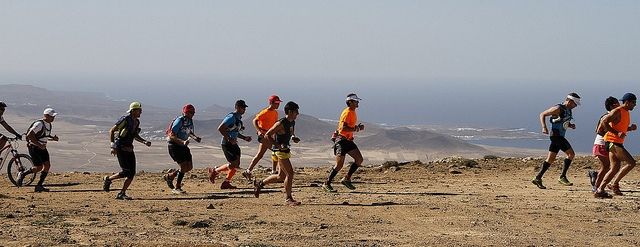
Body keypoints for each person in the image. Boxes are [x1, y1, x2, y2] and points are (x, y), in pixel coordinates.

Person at [253, 101, 301, 206]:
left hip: (284, 150)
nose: (298, 113)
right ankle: (288, 198)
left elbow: (291, 132)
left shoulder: (292, 122)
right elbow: (268, 135)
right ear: (290, 111)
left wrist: (293, 137)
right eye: (296, 111)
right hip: (280, 151)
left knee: (281, 176)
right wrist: (278, 145)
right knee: (290, 173)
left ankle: (260, 184)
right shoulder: (280, 123)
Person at [102, 102, 152, 200]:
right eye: (139, 110)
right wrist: (112, 146)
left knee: (131, 172)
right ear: (133, 111)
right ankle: (108, 179)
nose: (141, 112)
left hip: (129, 148)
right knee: (126, 171)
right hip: (120, 147)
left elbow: (134, 135)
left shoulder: (136, 122)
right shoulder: (125, 119)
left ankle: (122, 193)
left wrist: (144, 141)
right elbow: (112, 130)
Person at [532, 92, 581, 189]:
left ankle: (538, 178)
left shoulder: (568, 110)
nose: (575, 106)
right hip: (556, 136)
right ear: (570, 101)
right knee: (571, 154)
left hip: (558, 136)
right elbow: (543, 114)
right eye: (575, 104)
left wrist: (570, 125)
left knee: (551, 159)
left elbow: (563, 121)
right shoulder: (558, 108)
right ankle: (562, 177)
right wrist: (544, 127)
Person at [595, 93, 637, 197]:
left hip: (616, 142)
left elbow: (620, 128)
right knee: (631, 163)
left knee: (614, 168)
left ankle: (600, 190)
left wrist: (630, 128)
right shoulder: (617, 111)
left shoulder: (626, 112)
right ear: (627, 102)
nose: (635, 105)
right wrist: (616, 133)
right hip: (613, 142)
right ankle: (614, 184)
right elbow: (604, 122)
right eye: (633, 103)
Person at [322, 93, 365, 193]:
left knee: (359, 159)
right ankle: (326, 183)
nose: (357, 102)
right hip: (341, 141)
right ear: (350, 102)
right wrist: (357, 128)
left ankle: (347, 178)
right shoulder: (347, 112)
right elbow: (343, 128)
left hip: (348, 140)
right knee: (339, 165)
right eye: (355, 101)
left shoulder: (352, 112)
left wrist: (355, 129)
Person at [207, 100, 252, 189]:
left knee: (236, 164)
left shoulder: (238, 118)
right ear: (237, 107)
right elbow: (220, 128)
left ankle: (226, 182)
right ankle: (215, 171)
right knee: (233, 163)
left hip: (234, 143)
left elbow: (235, 131)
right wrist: (229, 138)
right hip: (226, 143)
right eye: (242, 107)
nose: (244, 110)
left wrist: (244, 138)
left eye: (244, 108)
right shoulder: (231, 117)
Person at [16, 108, 59, 192]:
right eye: (51, 116)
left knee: (47, 165)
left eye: (53, 116)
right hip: (34, 148)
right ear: (46, 116)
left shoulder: (49, 124)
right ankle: (23, 174)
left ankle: (39, 185)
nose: (53, 118)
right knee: (39, 167)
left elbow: (44, 134)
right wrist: (39, 144)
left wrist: (52, 137)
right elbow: (30, 135)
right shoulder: (39, 124)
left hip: (42, 147)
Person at [163, 104, 202, 194]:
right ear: (185, 112)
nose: (192, 114)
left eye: (193, 113)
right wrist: (182, 142)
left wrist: (195, 137)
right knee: (184, 166)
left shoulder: (189, 121)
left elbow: (189, 131)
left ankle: (171, 176)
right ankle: (177, 187)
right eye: (190, 112)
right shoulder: (179, 121)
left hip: (183, 146)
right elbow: (172, 135)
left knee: (189, 167)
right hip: (174, 146)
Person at [243, 95, 282, 182]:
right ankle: (274, 172)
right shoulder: (265, 112)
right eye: (276, 103)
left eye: (279, 103)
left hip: (270, 135)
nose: (278, 105)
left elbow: (275, 123)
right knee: (276, 150)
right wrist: (259, 131)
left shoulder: (275, 113)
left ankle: (248, 171)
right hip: (264, 135)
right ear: (271, 103)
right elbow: (254, 121)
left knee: (260, 154)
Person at [587, 97, 619, 197]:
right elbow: (598, 130)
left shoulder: (610, 116)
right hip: (601, 143)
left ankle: (596, 177)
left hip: (605, 143)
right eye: (617, 104)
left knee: (608, 166)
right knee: (606, 166)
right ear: (612, 106)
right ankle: (596, 187)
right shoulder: (607, 116)